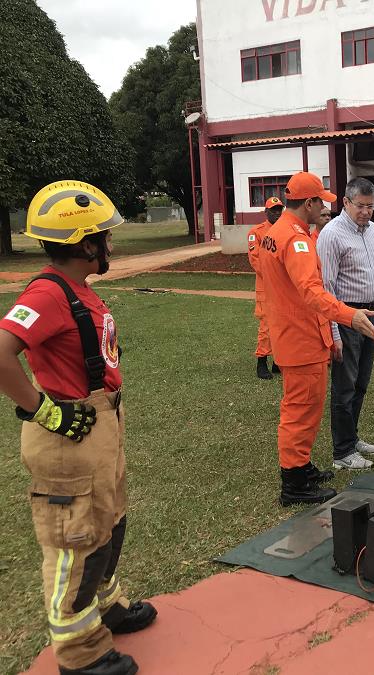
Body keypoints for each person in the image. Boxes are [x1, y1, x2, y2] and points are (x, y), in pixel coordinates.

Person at [0, 181, 157, 675]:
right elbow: (1, 353)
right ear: (86, 244)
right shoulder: (47, 294)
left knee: (108, 521)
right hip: (71, 432)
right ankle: (79, 652)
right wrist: (44, 411)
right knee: (74, 542)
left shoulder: (75, 289)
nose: (111, 245)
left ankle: (106, 608)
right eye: (105, 237)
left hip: (99, 424)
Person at [258, 171, 374, 505]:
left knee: (302, 408)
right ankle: (295, 483)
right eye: (321, 203)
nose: (324, 209)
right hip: (301, 338)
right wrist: (348, 315)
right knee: (301, 411)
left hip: (291, 333)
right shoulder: (296, 240)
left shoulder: (277, 231)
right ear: (308, 203)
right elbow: (313, 292)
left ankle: (301, 466)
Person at [317, 178, 374, 470]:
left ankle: (352, 436)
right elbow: (326, 288)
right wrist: (335, 332)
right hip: (347, 318)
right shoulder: (332, 235)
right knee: (344, 387)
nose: (366, 212)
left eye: (371, 206)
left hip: (371, 317)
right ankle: (342, 452)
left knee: (360, 384)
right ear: (345, 203)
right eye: (360, 206)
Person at [248, 196, 284, 379]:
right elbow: (256, 261)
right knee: (266, 327)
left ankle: (278, 362)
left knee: (283, 325)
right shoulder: (257, 232)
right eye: (273, 210)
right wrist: (277, 277)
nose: (277, 213)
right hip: (267, 288)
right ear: (266, 212)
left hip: (284, 289)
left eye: (279, 209)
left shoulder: (285, 230)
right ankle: (261, 362)